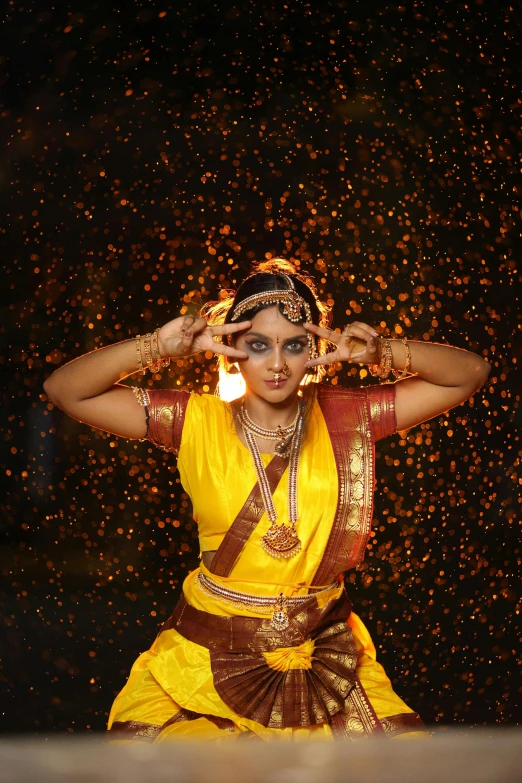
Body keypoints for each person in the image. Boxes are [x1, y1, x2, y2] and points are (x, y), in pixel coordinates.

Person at [43, 258, 491, 742]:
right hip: (206, 655)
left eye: (293, 345)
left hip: (323, 652)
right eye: (258, 346)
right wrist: (158, 347)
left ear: (315, 349)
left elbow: (469, 374)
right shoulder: (195, 421)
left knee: (401, 767)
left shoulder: (349, 416)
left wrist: (384, 352)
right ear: (232, 350)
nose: (277, 364)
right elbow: (65, 390)